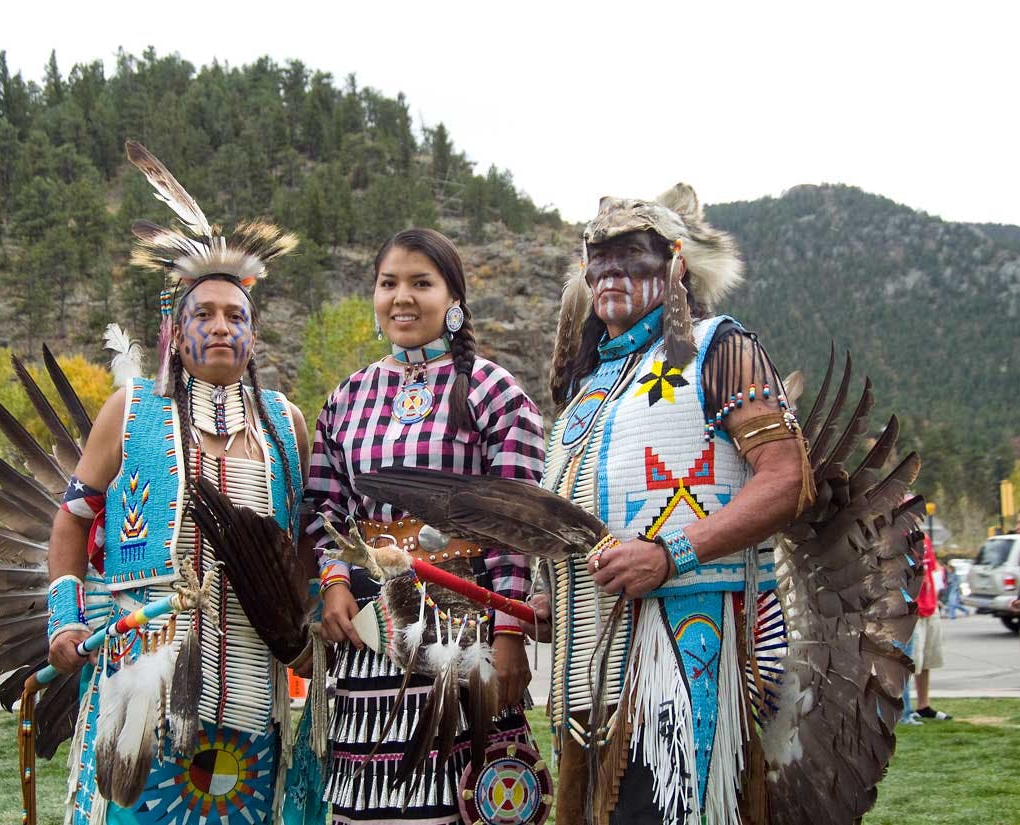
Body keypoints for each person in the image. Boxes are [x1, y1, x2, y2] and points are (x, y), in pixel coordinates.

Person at [46, 142, 314, 825]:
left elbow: (305, 543)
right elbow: (73, 519)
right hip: (145, 687)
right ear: (176, 329)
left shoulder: (285, 424)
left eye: (236, 315)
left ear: (252, 334)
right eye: (205, 313)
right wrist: (65, 616)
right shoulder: (131, 411)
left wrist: (310, 630)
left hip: (255, 689)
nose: (222, 325)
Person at [540, 186, 811, 824]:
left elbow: (787, 476)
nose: (611, 270)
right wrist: (553, 593)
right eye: (597, 256)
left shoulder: (719, 347)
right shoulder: (586, 391)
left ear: (676, 263)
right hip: (587, 667)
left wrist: (671, 554)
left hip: (685, 647)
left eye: (632, 254)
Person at [309, 228, 545, 825]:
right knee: (374, 803)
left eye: (421, 283)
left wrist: (510, 633)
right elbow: (323, 507)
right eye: (389, 284)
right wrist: (334, 578)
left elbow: (514, 525)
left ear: (453, 299)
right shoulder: (346, 398)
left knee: (461, 796)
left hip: (463, 626)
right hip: (369, 635)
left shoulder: (494, 391)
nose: (402, 298)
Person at [908, 535, 952, 721]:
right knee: (909, 662)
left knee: (927, 660)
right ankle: (902, 710)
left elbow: (932, 570)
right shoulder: (895, 536)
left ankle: (923, 706)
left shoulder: (924, 539)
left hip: (930, 606)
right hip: (911, 609)